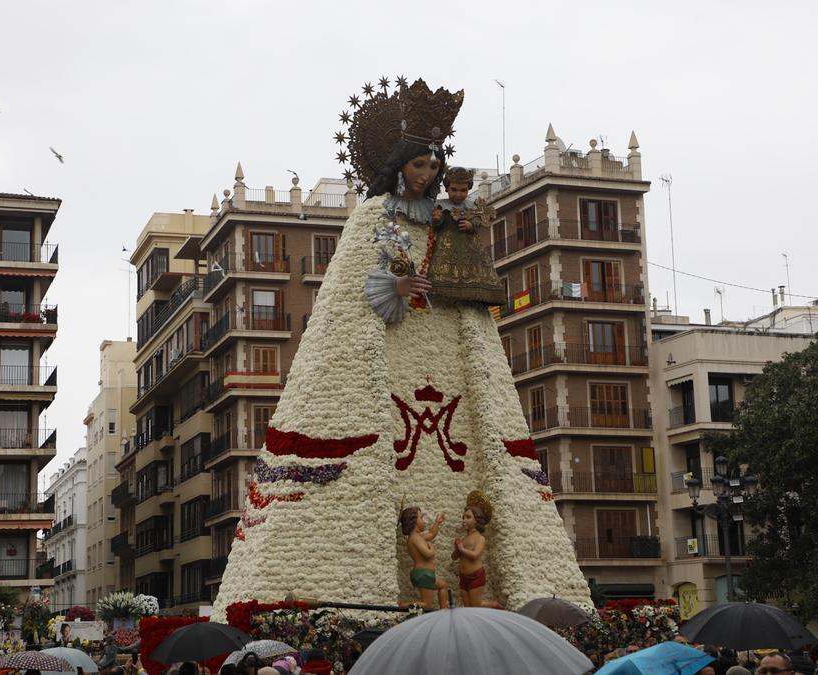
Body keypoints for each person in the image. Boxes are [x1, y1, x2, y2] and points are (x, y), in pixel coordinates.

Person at [209, 78, 593, 618]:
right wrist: (397, 288)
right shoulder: (373, 214)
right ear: (397, 165)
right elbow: (357, 290)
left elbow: (462, 277)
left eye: (435, 168)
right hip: (385, 345)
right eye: (419, 166)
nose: (428, 176)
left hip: (450, 346)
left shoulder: (444, 220)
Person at [399, 506, 448, 608]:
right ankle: (401, 606)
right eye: (421, 518)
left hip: (427, 573)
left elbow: (431, 533)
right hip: (423, 574)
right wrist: (432, 548)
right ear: (414, 521)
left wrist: (437, 523)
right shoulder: (415, 538)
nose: (423, 521)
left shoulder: (418, 537)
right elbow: (428, 554)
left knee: (443, 585)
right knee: (426, 604)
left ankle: (444, 609)